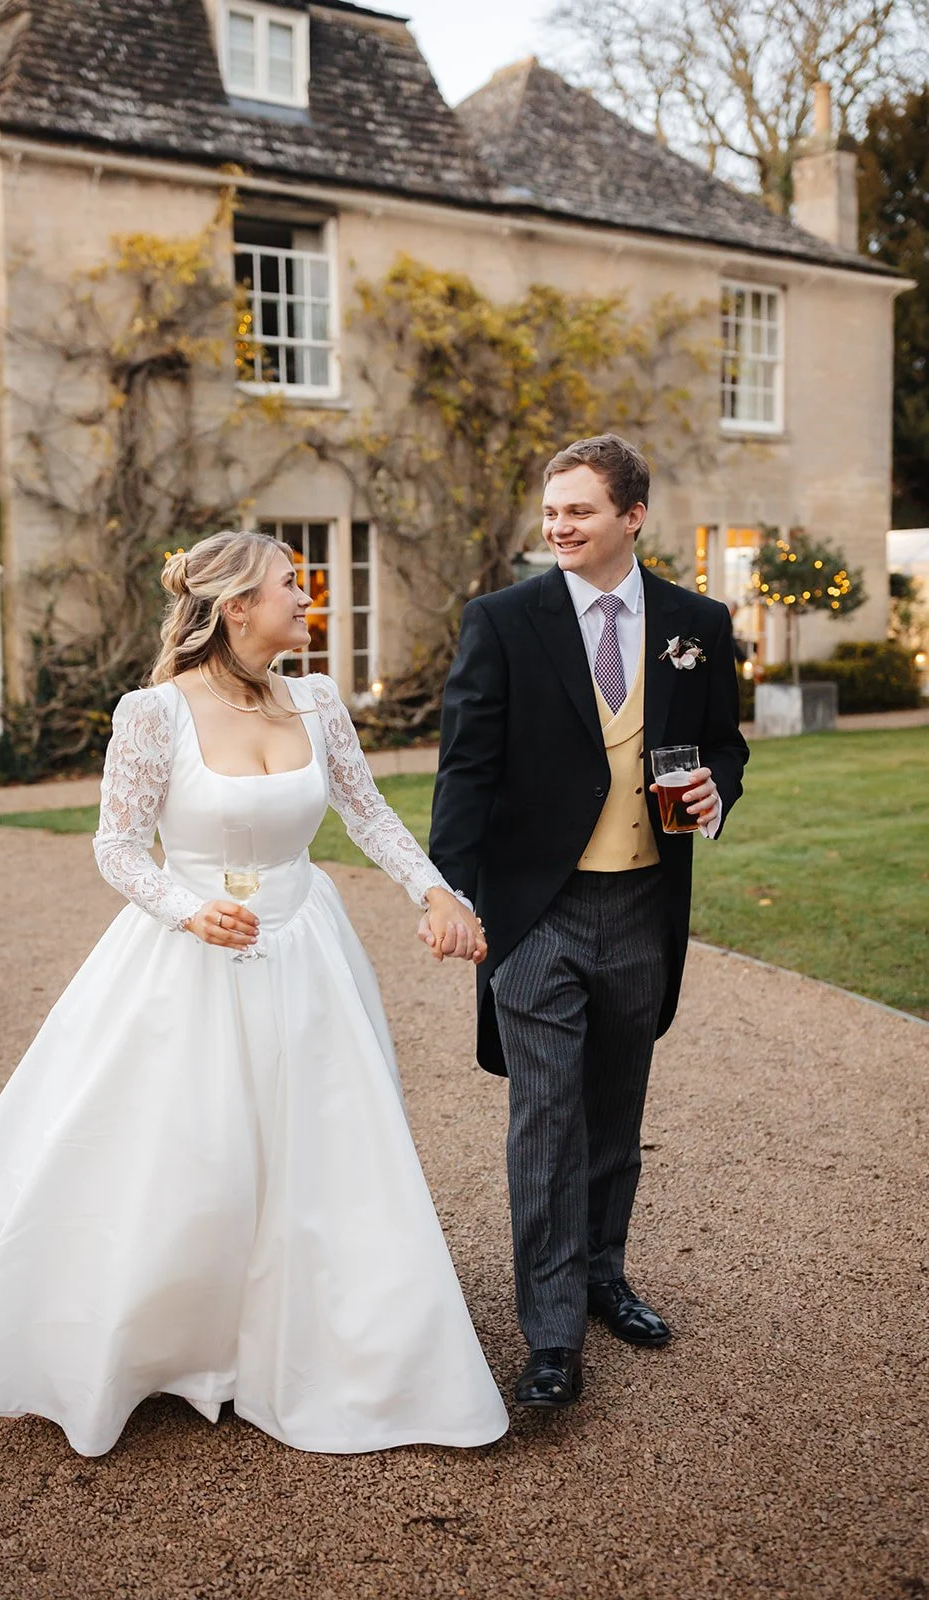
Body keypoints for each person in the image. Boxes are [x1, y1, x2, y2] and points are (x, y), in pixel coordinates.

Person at [0, 531, 508, 1457]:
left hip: (307, 949)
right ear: (236, 607)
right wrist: (185, 908)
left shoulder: (318, 701)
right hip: (189, 953)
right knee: (185, 1145)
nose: (305, 596)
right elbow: (118, 846)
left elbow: (366, 811)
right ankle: (165, 1333)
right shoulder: (154, 713)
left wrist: (435, 891)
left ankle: (334, 1336)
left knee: (323, 1143)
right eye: (289, 584)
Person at [427, 435, 749, 1410]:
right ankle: (551, 1333)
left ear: (631, 517)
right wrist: (448, 889)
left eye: (578, 510)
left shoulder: (696, 622)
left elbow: (724, 746)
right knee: (545, 1119)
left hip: (644, 905)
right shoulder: (502, 620)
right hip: (537, 912)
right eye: (551, 510)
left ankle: (604, 1275)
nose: (558, 526)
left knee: (614, 1112)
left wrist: (714, 790)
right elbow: (465, 767)